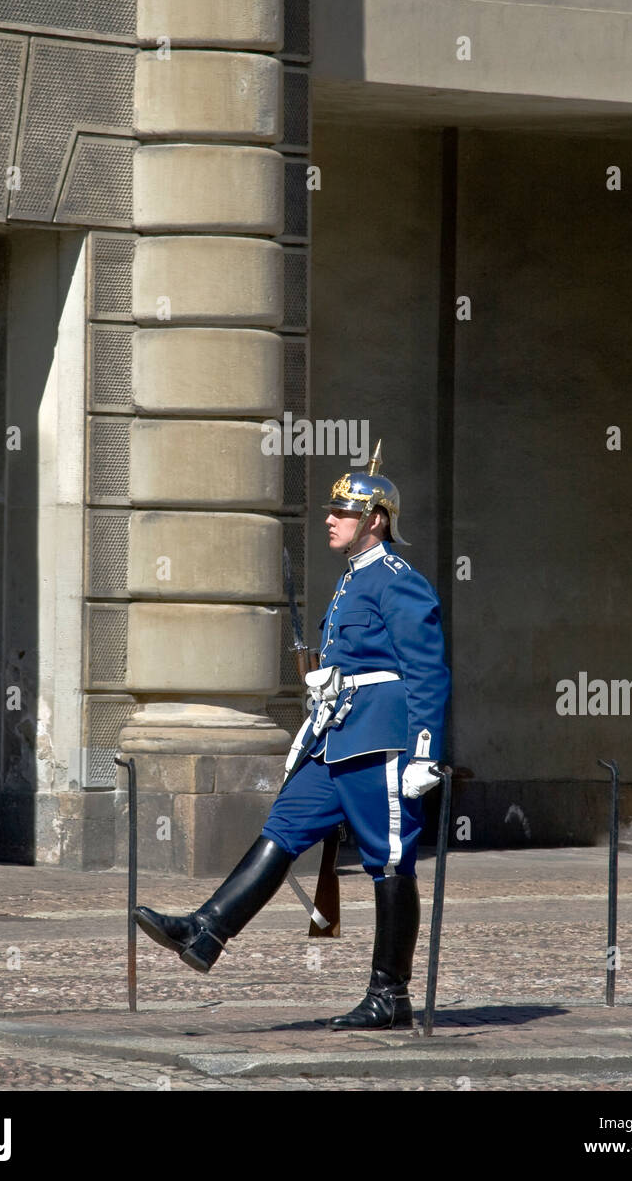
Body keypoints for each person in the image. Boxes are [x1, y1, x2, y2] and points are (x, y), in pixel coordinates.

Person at [134, 441, 451, 1030]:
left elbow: (426, 670)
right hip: (337, 731)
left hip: (380, 737)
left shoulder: (396, 581)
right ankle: (207, 929)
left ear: (374, 521)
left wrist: (426, 750)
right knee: (284, 826)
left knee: (389, 858)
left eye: (343, 512)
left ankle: (391, 995)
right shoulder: (351, 581)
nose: (330, 519)